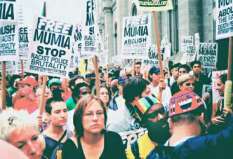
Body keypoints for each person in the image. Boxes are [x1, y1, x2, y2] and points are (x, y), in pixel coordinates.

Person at [62, 95, 126, 159]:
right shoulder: (70, 147)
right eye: (89, 114)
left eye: (99, 113)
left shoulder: (114, 139)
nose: (95, 118)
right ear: (79, 118)